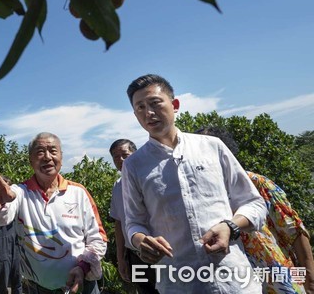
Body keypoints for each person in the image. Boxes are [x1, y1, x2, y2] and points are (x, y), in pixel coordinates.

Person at [122, 74, 267, 293]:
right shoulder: (134, 165)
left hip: (234, 282)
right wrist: (140, 240)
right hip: (179, 284)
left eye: (155, 103)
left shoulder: (212, 147)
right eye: (140, 107)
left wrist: (231, 226)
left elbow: (254, 203)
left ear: (175, 105)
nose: (148, 113)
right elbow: (133, 222)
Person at [0, 132, 108, 294]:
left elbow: (98, 239)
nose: (47, 157)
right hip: (38, 288)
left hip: (82, 285)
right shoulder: (19, 193)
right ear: (30, 160)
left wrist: (83, 267)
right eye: (40, 152)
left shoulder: (78, 193)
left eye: (53, 151)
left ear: (61, 156)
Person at [195, 126, 314, 294]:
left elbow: (295, 232)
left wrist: (310, 281)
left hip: (280, 283)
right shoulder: (200, 196)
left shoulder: (257, 184)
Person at [108, 139, 159, 294]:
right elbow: (119, 223)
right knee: (145, 291)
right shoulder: (117, 186)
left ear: (135, 154)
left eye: (125, 155)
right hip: (134, 255)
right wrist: (121, 258)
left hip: (157, 251)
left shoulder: (150, 179)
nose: (121, 160)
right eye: (116, 157)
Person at [0, 175, 23, 294]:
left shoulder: (14, 200)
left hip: (15, 242)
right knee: (2, 280)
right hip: (1, 242)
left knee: (17, 277)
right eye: (2, 185)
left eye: (7, 185)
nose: (5, 189)